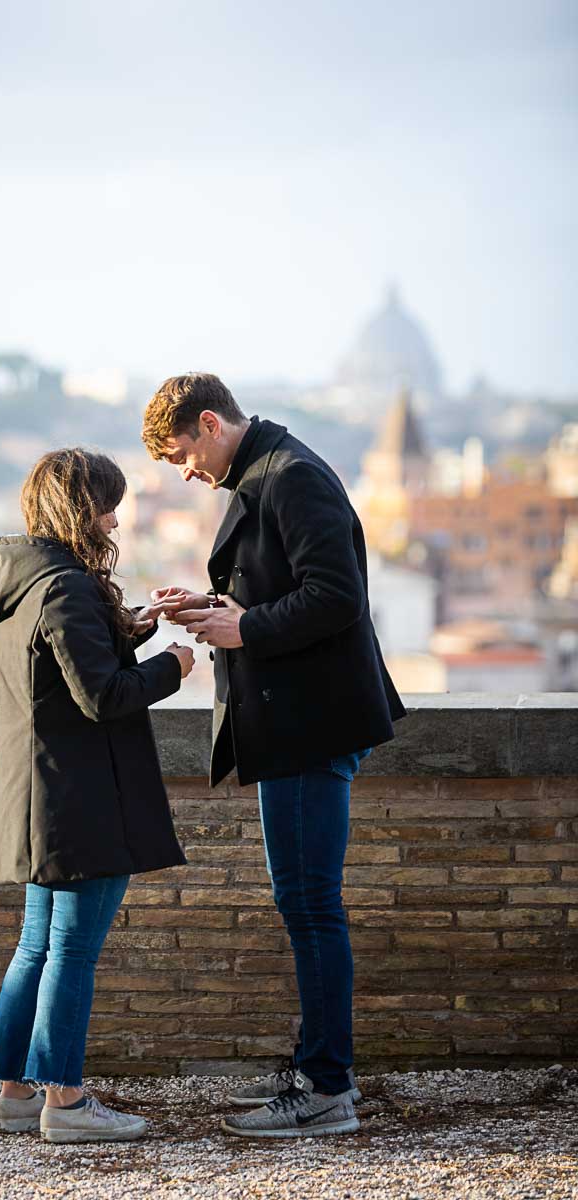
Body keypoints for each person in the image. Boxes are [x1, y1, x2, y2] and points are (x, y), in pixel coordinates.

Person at [142, 373, 406, 1138]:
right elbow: (281, 587)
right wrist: (214, 608)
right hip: (297, 721)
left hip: (307, 726)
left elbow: (337, 597)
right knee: (308, 905)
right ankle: (318, 1067)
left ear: (211, 423)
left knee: (310, 907)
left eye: (181, 455)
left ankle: (326, 1088)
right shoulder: (269, 471)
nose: (186, 473)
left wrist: (245, 631)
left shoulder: (291, 477)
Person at [0, 448, 194, 1144]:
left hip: (41, 796)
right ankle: (65, 1103)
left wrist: (139, 624)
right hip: (82, 802)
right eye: (107, 503)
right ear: (80, 508)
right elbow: (102, 696)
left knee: (37, 948)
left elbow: (70, 666)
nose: (115, 518)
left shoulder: (28, 581)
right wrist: (174, 665)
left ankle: (14, 1094)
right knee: (69, 952)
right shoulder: (65, 588)